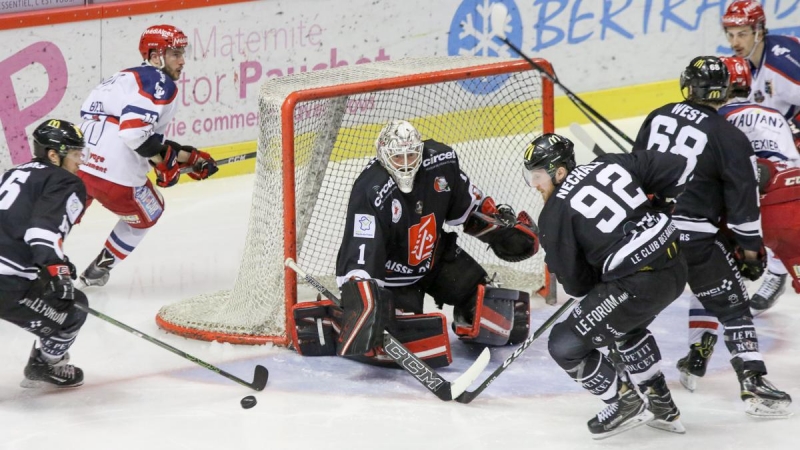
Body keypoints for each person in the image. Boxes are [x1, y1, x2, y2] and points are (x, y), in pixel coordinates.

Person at [289, 119, 539, 368]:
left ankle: (463, 319)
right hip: (392, 278)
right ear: (383, 156)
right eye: (399, 157)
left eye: (412, 155)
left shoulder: (441, 161)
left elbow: (468, 208)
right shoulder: (371, 189)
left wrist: (497, 227)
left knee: (499, 315)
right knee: (413, 337)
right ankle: (338, 323)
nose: (407, 164)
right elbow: (361, 252)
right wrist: (364, 302)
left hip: (434, 259)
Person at [634, 55, 791, 417]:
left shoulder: (657, 115)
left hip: (649, 237)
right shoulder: (729, 136)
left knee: (633, 312)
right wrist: (752, 252)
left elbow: (636, 172)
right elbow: (743, 205)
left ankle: (639, 385)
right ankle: (752, 382)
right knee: (733, 305)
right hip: (696, 241)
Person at [526, 133, 688, 439]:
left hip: (638, 283)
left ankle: (625, 402)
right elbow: (677, 167)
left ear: (559, 172)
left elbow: (577, 287)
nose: (534, 184)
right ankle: (662, 408)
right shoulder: (610, 163)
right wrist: (661, 202)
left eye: (538, 175)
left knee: (565, 344)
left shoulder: (553, 215)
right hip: (676, 266)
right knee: (625, 324)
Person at [76, 24, 218, 288]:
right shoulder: (160, 81)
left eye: (182, 53)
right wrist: (164, 164)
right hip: (116, 176)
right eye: (175, 53)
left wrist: (187, 157)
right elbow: (133, 135)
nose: (182, 60)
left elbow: (136, 132)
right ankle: (98, 270)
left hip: (79, 166)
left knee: (59, 220)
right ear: (155, 57)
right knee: (150, 213)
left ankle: (31, 271)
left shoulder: (123, 77)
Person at [722, 0, 800, 313]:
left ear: (759, 30)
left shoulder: (782, 64)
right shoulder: (747, 66)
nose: (735, 42)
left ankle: (780, 270)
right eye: (730, 34)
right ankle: (778, 269)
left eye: (742, 33)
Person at [0, 119, 89, 388]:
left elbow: (16, 224)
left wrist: (56, 261)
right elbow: (42, 229)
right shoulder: (66, 181)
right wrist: (54, 266)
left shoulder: (15, 173)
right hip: (6, 282)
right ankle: (47, 363)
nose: (80, 162)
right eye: (75, 154)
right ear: (54, 154)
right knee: (75, 308)